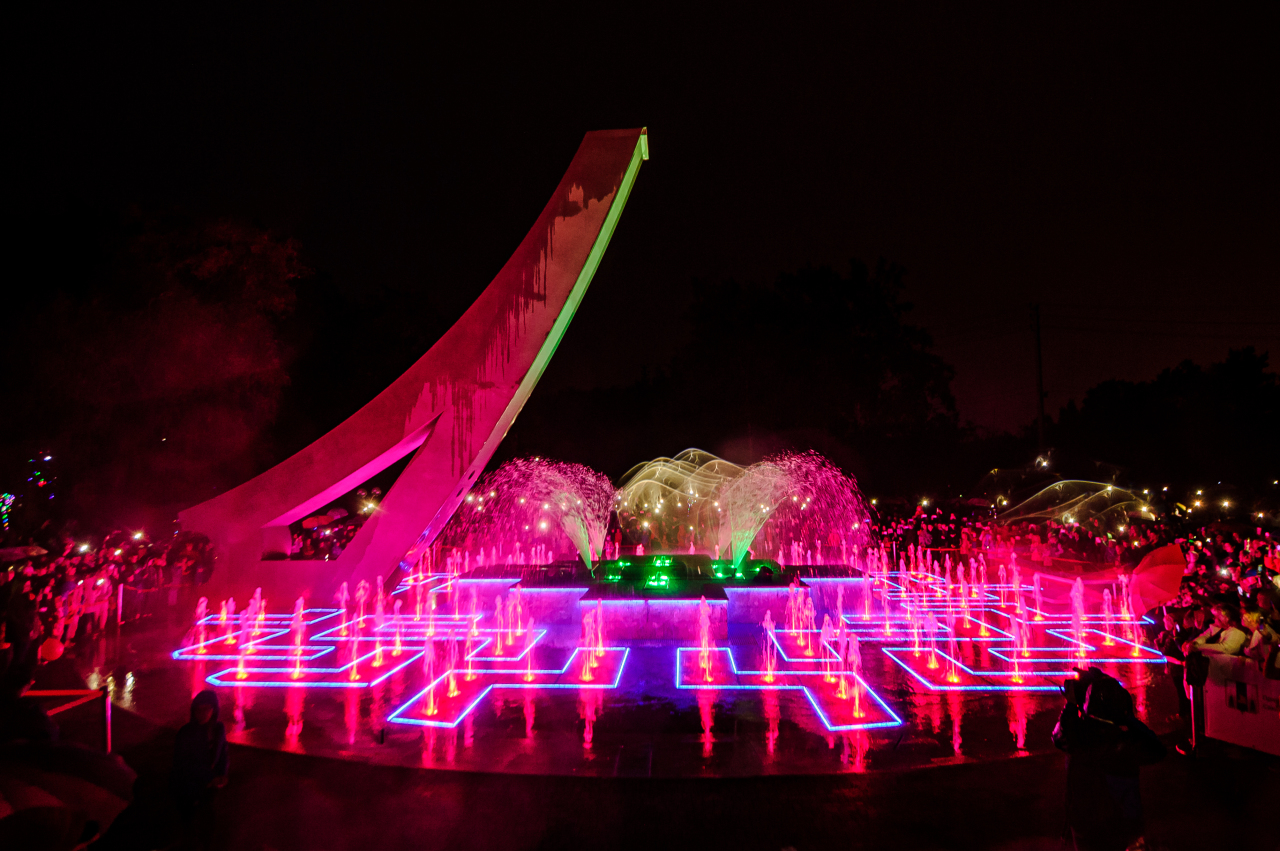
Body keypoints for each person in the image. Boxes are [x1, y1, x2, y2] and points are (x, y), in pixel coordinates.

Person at [1052, 667, 1165, 851]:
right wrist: (1128, 719)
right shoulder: (1125, 743)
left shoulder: (1077, 737)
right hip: (1122, 824)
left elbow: (1059, 734)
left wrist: (1071, 704)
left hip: (1084, 823)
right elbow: (1158, 749)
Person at [171, 689, 229, 836]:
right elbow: (184, 764)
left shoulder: (218, 729)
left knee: (208, 821)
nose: (202, 713)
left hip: (210, 784)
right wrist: (210, 777)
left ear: (213, 709)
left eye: (206, 709)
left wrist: (222, 774)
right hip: (189, 784)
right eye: (198, 710)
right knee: (190, 822)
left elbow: (223, 753)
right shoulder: (187, 733)